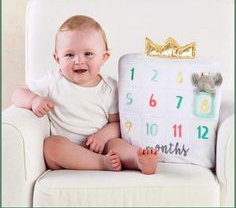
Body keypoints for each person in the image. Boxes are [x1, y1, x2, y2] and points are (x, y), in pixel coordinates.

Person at [12, 15, 158, 174]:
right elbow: (17, 94)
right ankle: (101, 164)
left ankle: (138, 159)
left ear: (104, 57)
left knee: (116, 144)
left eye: (88, 54)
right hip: (71, 151)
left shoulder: (110, 88)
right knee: (51, 146)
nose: (79, 61)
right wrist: (34, 100)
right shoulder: (53, 81)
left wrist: (102, 137)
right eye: (69, 55)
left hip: (103, 147)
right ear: (57, 58)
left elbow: (116, 123)